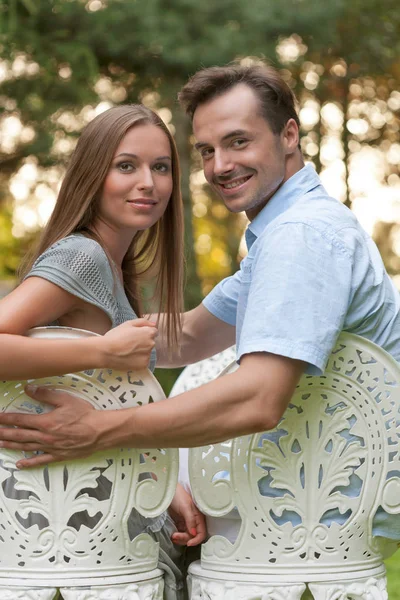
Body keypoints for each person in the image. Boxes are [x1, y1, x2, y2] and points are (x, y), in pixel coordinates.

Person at [1, 62, 400, 546]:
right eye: (207, 151)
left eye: (238, 141)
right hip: (310, 477)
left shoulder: (300, 237)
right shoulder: (285, 235)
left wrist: (103, 429)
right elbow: (187, 335)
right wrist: (100, 345)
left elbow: (258, 399)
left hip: (318, 494)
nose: (219, 166)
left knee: (170, 529)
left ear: (289, 134)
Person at [0, 104, 206, 599]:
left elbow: (109, 407)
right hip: (69, 522)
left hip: (92, 506)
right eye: (126, 165)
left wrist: (166, 485)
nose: (148, 183)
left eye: (161, 168)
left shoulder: (115, 267)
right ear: (94, 174)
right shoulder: (83, 255)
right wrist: (106, 354)